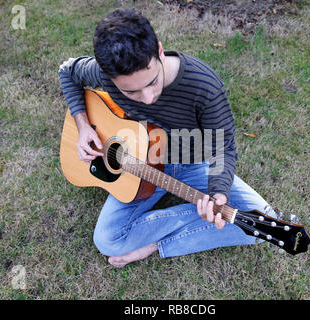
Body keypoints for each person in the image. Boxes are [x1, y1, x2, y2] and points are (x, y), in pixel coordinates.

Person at [59, 9, 275, 268]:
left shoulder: (204, 87)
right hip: (139, 160)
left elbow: (223, 147)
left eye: (152, 82)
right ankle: (185, 226)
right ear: (109, 76)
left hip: (191, 162)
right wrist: (83, 126)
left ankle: (154, 243)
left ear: (159, 52)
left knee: (265, 222)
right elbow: (67, 72)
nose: (148, 97)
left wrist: (218, 196)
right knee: (107, 240)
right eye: (131, 91)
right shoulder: (103, 74)